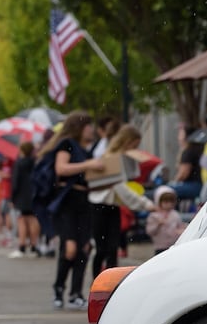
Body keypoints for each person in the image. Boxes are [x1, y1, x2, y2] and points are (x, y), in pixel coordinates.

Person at [40, 110, 103, 308]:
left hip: (84, 200)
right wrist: (88, 164)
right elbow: (61, 169)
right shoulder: (66, 144)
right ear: (80, 127)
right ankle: (59, 288)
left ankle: (76, 293)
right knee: (70, 249)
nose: (91, 129)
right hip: (67, 201)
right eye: (88, 126)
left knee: (84, 248)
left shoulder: (87, 150)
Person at [88, 124, 157, 276]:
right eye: (134, 145)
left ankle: (107, 283)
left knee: (111, 248)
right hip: (100, 206)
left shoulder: (117, 158)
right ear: (127, 142)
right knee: (103, 249)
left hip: (111, 205)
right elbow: (122, 188)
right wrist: (145, 204)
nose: (135, 149)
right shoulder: (112, 159)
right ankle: (100, 283)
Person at [9, 140, 40, 258]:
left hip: (21, 196)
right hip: (33, 195)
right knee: (33, 220)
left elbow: (15, 182)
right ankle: (34, 246)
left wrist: (12, 198)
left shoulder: (19, 163)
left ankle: (21, 246)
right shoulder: (35, 162)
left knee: (21, 220)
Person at [145, 187, 186, 253]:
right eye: (166, 202)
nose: (169, 204)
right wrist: (158, 225)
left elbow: (180, 227)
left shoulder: (175, 215)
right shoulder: (154, 216)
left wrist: (180, 231)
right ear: (159, 201)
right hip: (160, 247)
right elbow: (149, 231)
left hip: (173, 246)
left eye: (171, 202)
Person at [171, 124, 204, 204]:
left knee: (166, 190)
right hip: (199, 185)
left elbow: (183, 174)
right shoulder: (195, 148)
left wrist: (173, 182)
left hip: (194, 185)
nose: (178, 137)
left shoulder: (189, 151)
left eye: (181, 133)